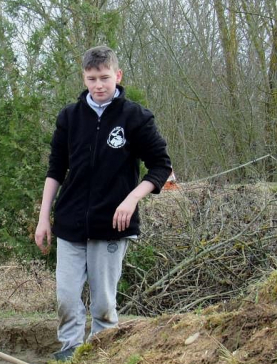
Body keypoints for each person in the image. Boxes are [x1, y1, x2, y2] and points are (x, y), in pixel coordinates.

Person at [35, 46, 172, 361]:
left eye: (105, 77)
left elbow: (161, 166)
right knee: (67, 300)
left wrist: (132, 199)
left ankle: (100, 355)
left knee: (103, 305)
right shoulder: (69, 117)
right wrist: (44, 219)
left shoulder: (135, 117)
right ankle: (69, 353)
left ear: (118, 75)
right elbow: (55, 170)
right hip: (70, 224)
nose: (99, 85)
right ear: (84, 78)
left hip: (112, 226)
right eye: (92, 78)